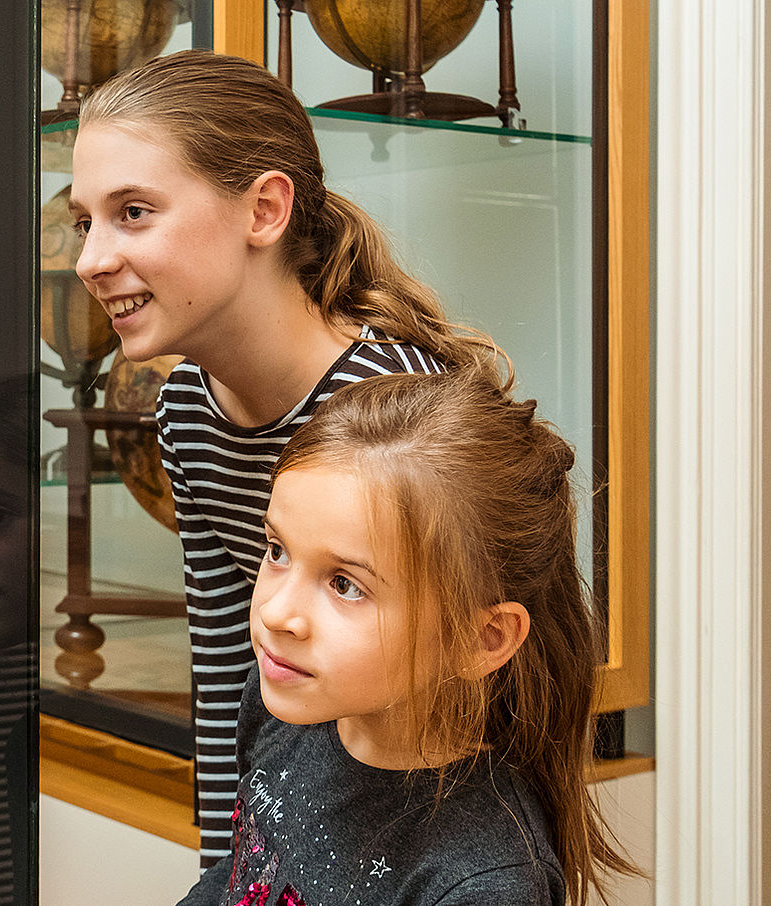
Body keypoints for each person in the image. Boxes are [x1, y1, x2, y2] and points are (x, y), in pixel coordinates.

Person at [69, 49, 505, 864]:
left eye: (133, 212)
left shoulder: (389, 410)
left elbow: (456, 694)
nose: (91, 259)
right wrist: (229, 873)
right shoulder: (185, 409)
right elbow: (229, 661)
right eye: (83, 220)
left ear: (264, 209)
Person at [179, 370, 636, 906]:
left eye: (345, 584)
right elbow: (238, 874)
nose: (277, 614)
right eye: (277, 551)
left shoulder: (484, 882)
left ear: (482, 639)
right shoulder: (277, 701)